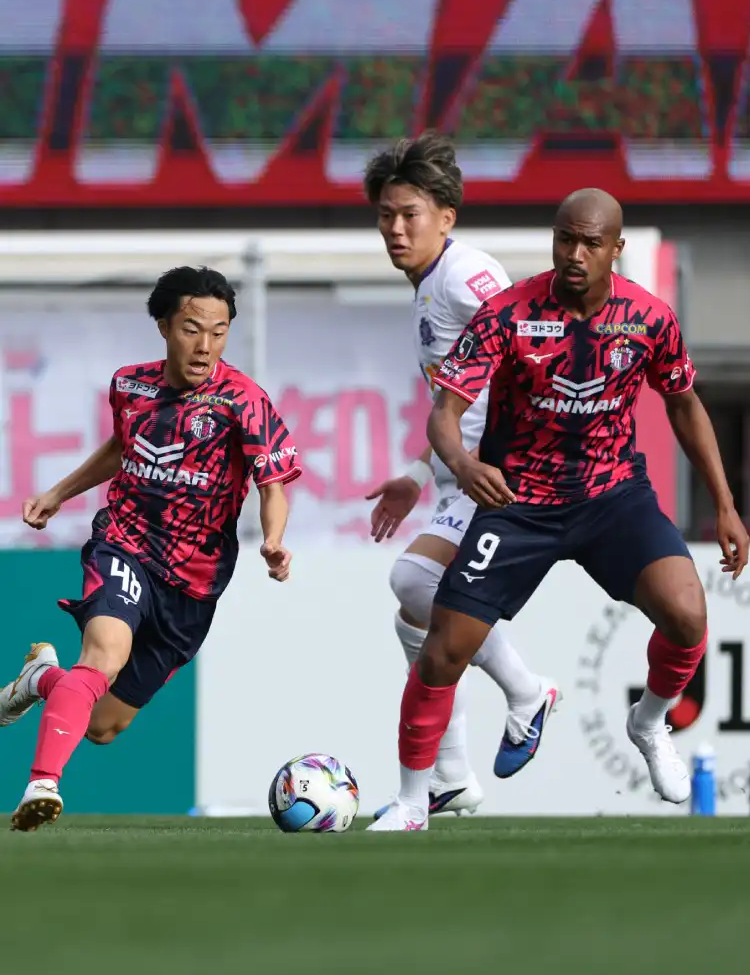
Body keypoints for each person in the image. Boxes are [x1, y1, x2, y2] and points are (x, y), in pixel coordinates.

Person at [370, 187, 750, 831]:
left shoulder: (649, 318)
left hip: (613, 499)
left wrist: (726, 503)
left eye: (590, 244)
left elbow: (685, 405)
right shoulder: (507, 315)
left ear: (616, 251)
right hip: (518, 500)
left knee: (688, 615)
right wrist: (463, 466)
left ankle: (649, 723)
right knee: (440, 650)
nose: (574, 254)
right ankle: (414, 803)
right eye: (564, 239)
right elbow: (445, 413)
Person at [0, 266, 301, 832]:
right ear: (164, 327)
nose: (205, 345)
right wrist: (60, 493)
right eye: (192, 328)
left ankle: (40, 679)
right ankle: (42, 783)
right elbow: (123, 446)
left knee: (103, 724)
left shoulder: (245, 400)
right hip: (126, 543)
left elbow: (272, 483)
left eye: (218, 330)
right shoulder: (130, 384)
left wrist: (275, 540)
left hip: (195, 583)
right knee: (103, 655)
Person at [363, 132, 559, 819]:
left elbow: (530, 347)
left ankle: (528, 691)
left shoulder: (465, 274)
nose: (394, 227)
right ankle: (451, 776)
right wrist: (419, 472)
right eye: (385, 214)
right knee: (418, 618)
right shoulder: (426, 287)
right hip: (460, 478)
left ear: (446, 216)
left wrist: (520, 456)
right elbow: (456, 398)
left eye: (409, 213)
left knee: (415, 581)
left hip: (500, 475)